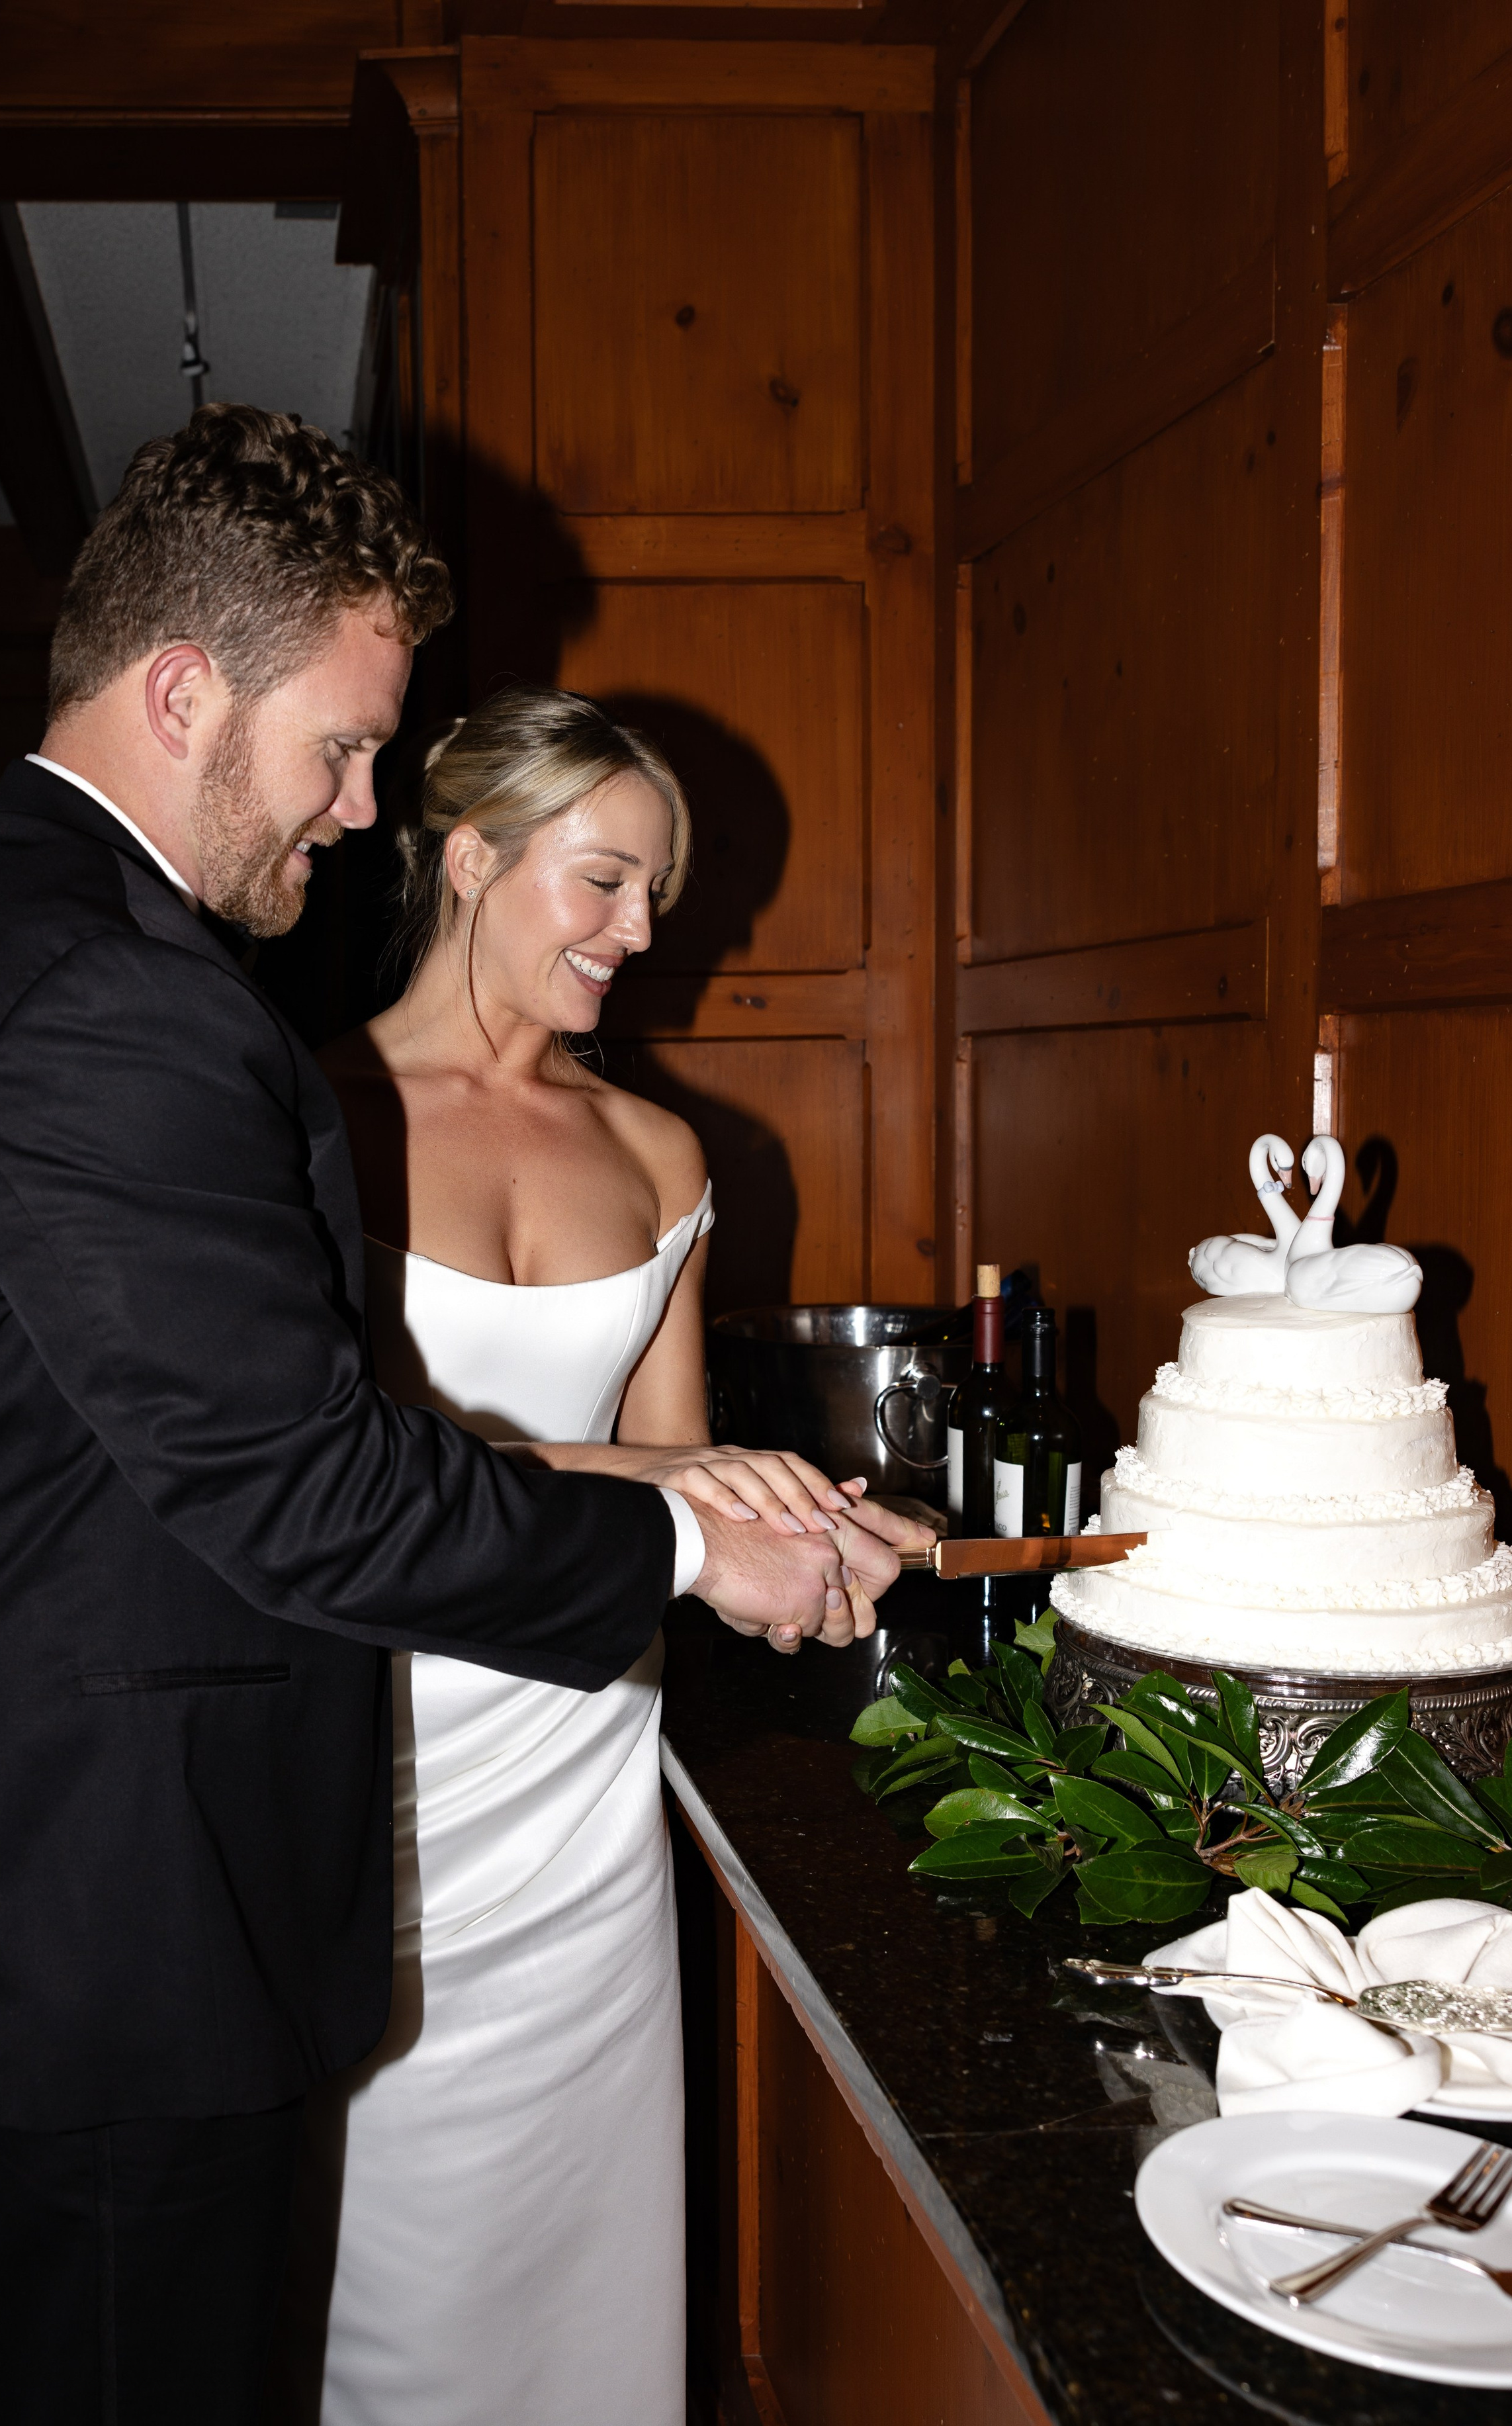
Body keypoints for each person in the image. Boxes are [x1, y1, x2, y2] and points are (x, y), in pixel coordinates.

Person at [0, 406, 917, 2425]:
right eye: (335, 745)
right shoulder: (104, 993)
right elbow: (308, 1477)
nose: (351, 808)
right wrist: (689, 1534)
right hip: (95, 1960)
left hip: (37, 1917)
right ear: (180, 691)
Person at [285, 688, 897, 2426]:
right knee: (369, 2293)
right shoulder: (301, 1119)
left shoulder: (663, 1152)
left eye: (658, 897)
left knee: (586, 2309)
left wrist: (807, 1539)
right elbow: (333, 1472)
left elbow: (678, 1471)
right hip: (374, 1761)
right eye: (608, 881)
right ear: (469, 857)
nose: (643, 933)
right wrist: (706, 1507)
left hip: (579, 1803)